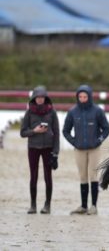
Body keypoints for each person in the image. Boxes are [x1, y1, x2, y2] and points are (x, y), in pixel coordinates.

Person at [63, 85, 109, 215]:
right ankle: (83, 206)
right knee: (83, 177)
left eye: (85, 96)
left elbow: (106, 129)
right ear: (77, 97)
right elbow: (65, 131)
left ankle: (94, 206)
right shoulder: (72, 112)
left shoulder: (97, 111)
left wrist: (99, 140)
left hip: (94, 149)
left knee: (93, 176)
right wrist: (74, 142)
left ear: (89, 96)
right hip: (79, 150)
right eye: (80, 97)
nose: (83, 99)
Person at [20, 86, 60, 214]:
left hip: (48, 148)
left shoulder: (52, 112)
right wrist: (34, 131)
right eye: (38, 97)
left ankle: (47, 205)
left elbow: (57, 133)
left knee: (48, 177)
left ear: (46, 98)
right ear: (34, 98)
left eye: (42, 97)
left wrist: (56, 151)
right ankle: (33, 205)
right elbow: (22, 132)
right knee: (34, 176)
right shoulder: (29, 112)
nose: (40, 99)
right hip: (33, 148)